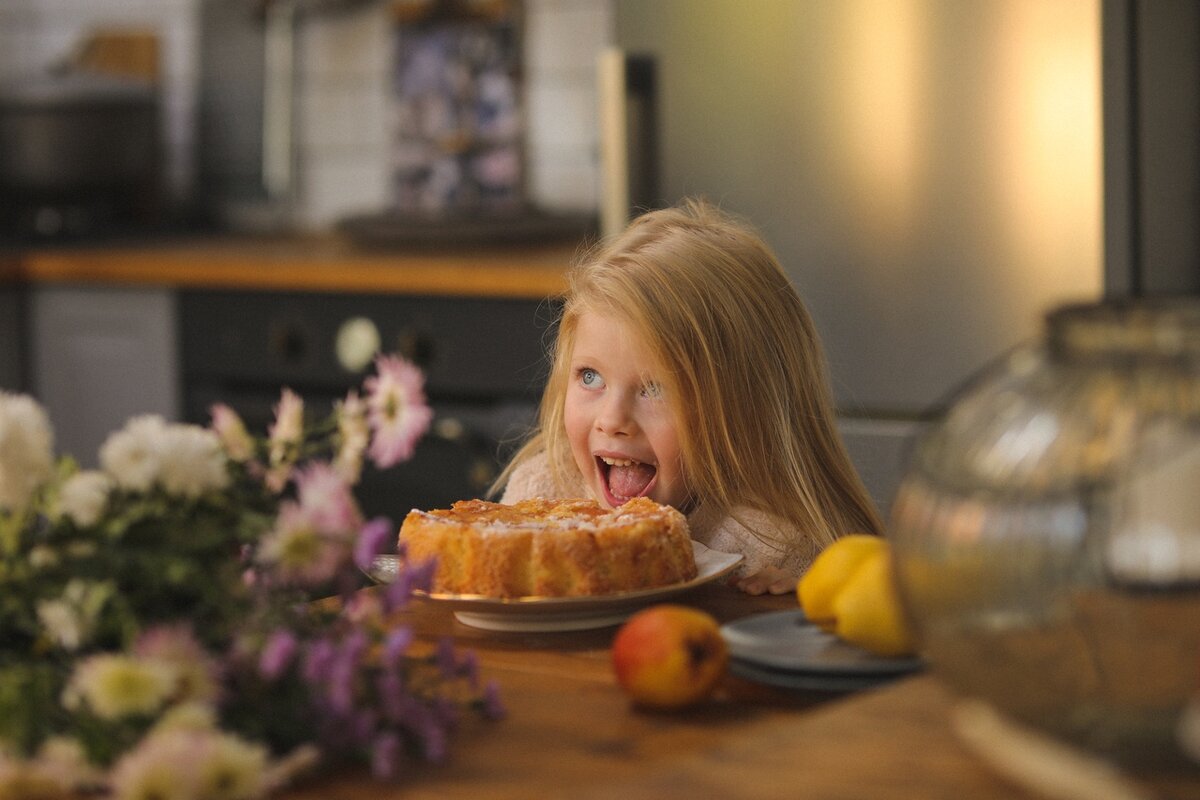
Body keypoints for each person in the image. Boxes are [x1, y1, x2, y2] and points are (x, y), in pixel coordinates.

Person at [492, 198, 883, 594]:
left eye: (654, 388)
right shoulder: (539, 496)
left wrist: (764, 609)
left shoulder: (768, 550)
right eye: (590, 377)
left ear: (745, 408)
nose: (611, 420)